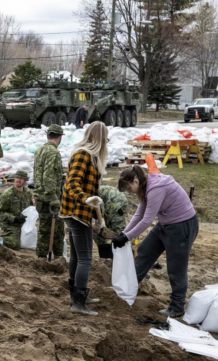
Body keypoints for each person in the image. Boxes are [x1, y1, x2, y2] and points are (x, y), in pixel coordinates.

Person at [115, 166, 199, 318]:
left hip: (182, 226)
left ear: (135, 181)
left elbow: (147, 219)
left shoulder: (155, 188)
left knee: (176, 267)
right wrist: (124, 233)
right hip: (166, 223)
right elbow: (139, 214)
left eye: (128, 188)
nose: (129, 191)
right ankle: (127, 290)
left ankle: (177, 306)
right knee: (144, 252)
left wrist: (127, 238)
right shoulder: (144, 186)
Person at [59, 121, 108, 316]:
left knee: (78, 257)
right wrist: (85, 199)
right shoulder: (83, 155)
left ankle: (76, 296)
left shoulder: (92, 157)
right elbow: (71, 184)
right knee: (85, 258)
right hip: (76, 212)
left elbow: (92, 191)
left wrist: (100, 217)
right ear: (99, 138)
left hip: (82, 212)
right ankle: (78, 303)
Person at [32, 124, 65, 259]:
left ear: (47, 136)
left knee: (45, 229)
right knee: (53, 230)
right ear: (60, 137)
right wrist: (53, 198)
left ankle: (45, 257)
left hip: (40, 196)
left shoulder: (39, 151)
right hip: (49, 198)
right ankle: (51, 258)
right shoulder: (53, 152)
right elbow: (48, 175)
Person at [0, 170, 33, 250]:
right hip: (10, 223)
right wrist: (14, 218)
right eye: (17, 178)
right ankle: (1, 239)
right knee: (14, 244)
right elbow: (0, 212)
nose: (18, 180)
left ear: (25, 180)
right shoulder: (7, 194)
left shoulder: (28, 193)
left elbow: (32, 208)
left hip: (24, 222)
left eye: (21, 178)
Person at [94, 185, 128, 259]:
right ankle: (111, 255)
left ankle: (114, 258)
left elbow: (99, 216)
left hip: (114, 202)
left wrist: (102, 228)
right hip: (119, 200)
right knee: (113, 232)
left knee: (114, 232)